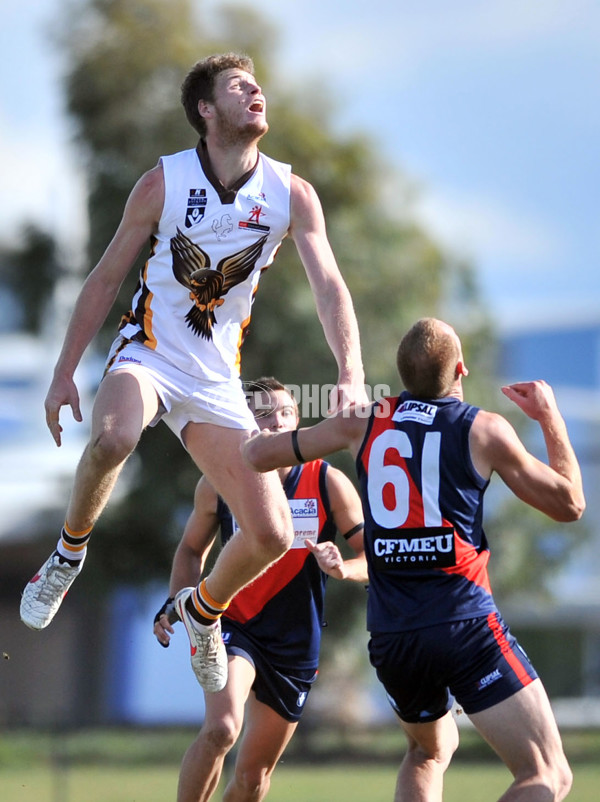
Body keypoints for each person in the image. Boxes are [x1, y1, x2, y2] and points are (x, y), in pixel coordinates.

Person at [20, 53, 366, 693]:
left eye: (257, 82)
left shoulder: (291, 194)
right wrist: (65, 370)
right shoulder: (163, 182)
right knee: (113, 437)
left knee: (271, 533)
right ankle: (68, 553)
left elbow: (330, 288)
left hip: (215, 379)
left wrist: (350, 370)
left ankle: (204, 611)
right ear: (206, 111)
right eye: (238, 86)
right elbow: (104, 279)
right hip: (148, 354)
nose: (255, 90)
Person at [243, 318, 585, 802]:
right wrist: (550, 417)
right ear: (461, 368)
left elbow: (259, 456)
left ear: (402, 375)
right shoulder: (483, 429)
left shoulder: (360, 421)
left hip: (392, 636)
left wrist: (231, 421)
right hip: (462, 623)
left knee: (427, 753)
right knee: (547, 774)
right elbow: (569, 504)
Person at [153, 377, 367, 802]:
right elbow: (192, 551)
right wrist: (179, 602)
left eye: (285, 413)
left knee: (253, 779)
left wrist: (343, 567)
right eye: (262, 414)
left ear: (298, 422)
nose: (275, 422)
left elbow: (372, 558)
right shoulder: (220, 479)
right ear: (243, 423)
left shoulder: (328, 482)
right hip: (232, 624)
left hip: (295, 642)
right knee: (221, 729)